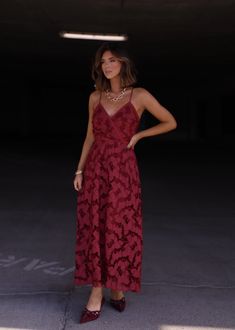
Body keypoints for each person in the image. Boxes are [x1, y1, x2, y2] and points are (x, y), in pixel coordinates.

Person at [73, 42, 177, 324]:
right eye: (103, 61)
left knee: (118, 227)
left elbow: (170, 121)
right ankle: (98, 292)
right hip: (96, 169)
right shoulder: (95, 97)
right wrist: (79, 170)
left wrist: (139, 136)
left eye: (112, 60)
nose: (106, 66)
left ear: (124, 63)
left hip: (123, 171)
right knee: (96, 227)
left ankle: (117, 288)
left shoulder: (139, 95)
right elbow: (89, 137)